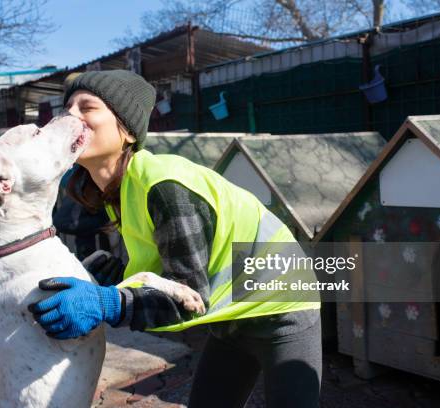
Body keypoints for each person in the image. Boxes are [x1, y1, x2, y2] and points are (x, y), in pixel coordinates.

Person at [28, 69, 322, 407]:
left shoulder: (164, 185)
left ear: (126, 130)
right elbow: (168, 270)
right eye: (67, 108)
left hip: (282, 309)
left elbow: (186, 300)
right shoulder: (117, 190)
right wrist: (123, 278)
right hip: (233, 318)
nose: (70, 116)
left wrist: (109, 303)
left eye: (87, 107)